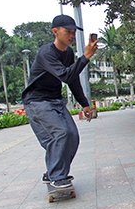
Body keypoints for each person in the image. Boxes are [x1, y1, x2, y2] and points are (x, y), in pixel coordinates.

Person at [22, 14, 98, 190]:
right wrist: (85, 57)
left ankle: (53, 173)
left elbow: (72, 80)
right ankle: (57, 176)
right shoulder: (46, 53)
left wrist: (84, 103)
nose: (71, 36)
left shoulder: (69, 52)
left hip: (55, 100)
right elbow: (65, 75)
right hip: (37, 101)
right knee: (61, 133)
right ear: (55, 32)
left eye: (73, 33)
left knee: (72, 136)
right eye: (67, 32)